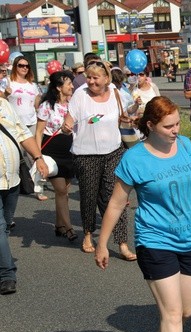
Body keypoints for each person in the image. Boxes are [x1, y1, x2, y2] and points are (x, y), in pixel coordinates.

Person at [95, 96, 191, 332]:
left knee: (186, 312)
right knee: (172, 314)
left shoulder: (186, 145)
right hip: (155, 241)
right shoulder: (135, 158)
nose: (175, 130)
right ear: (150, 125)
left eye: (178, 123)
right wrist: (102, 243)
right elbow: (116, 203)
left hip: (188, 237)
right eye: (169, 126)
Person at [61, 61, 136, 260]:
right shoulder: (81, 95)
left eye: (96, 78)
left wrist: (132, 117)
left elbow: (122, 116)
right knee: (89, 196)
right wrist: (66, 127)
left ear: (106, 79)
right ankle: (87, 234)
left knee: (116, 198)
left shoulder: (115, 92)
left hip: (113, 151)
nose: (91, 81)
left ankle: (122, 243)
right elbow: (69, 120)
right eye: (89, 77)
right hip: (86, 155)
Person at [0, 97, 49, 295]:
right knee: (0, 227)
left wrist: (38, 158)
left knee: (5, 225)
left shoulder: (5, 105)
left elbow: (22, 133)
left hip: (11, 179)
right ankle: (7, 274)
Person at [34, 70, 78, 242]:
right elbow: (38, 132)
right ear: (59, 87)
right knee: (60, 191)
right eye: (69, 84)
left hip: (70, 152)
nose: (72, 86)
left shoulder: (73, 105)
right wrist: (38, 157)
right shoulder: (46, 106)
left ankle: (59, 225)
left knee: (65, 190)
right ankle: (69, 228)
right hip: (51, 153)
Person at [8, 56, 45, 200]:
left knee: (34, 155)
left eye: (26, 66)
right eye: (21, 65)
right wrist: (5, 92)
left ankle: (38, 188)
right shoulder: (8, 82)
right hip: (14, 124)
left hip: (31, 122)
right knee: (16, 156)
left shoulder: (33, 85)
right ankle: (16, 185)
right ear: (15, 66)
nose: (24, 68)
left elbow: (37, 105)